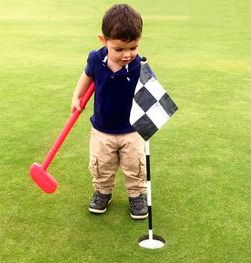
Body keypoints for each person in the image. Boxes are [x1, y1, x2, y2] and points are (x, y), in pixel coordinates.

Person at [71, 4, 148, 219]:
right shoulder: (96, 59)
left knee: (135, 166)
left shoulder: (140, 65)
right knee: (101, 165)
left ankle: (137, 194)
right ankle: (102, 192)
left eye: (133, 47)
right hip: (102, 130)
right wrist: (77, 95)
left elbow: (150, 93)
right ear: (103, 40)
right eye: (119, 49)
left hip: (132, 130)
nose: (127, 54)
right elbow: (87, 75)